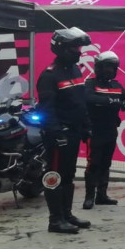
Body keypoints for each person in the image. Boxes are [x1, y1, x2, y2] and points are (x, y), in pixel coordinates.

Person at [36, 27, 93, 234]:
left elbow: (80, 102)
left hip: (74, 132)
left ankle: (67, 215)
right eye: (74, 48)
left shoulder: (75, 70)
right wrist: (56, 133)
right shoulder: (49, 75)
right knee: (54, 175)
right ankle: (55, 220)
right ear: (61, 48)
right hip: (59, 135)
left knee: (69, 175)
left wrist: (86, 126)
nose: (78, 52)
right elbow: (46, 109)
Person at [83, 51, 125, 209]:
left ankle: (102, 195)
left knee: (106, 163)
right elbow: (89, 98)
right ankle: (89, 196)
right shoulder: (90, 84)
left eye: (112, 68)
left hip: (111, 129)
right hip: (94, 130)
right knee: (93, 163)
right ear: (99, 67)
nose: (109, 71)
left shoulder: (116, 86)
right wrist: (111, 100)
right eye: (107, 67)